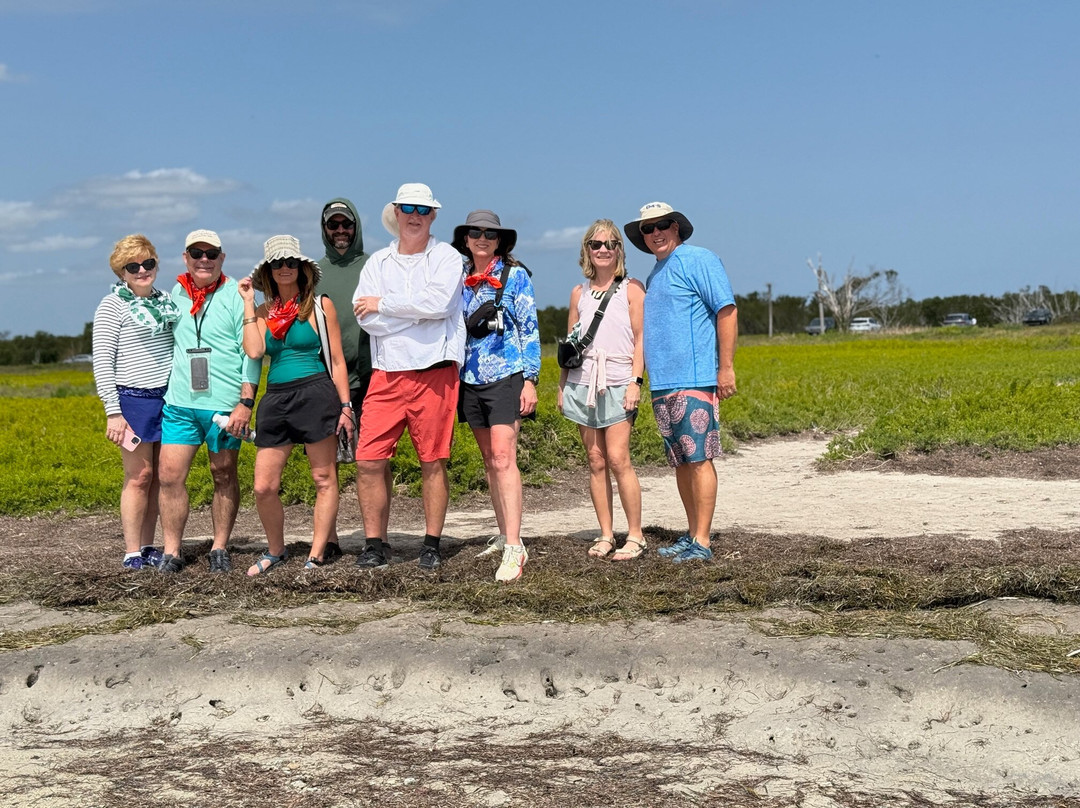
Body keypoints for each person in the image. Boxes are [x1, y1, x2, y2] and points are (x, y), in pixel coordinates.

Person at [351, 183, 465, 571]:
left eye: (423, 209)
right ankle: (373, 543)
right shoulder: (377, 263)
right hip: (387, 373)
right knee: (367, 459)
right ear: (395, 213)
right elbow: (367, 322)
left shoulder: (448, 257)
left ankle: (431, 543)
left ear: (433, 215)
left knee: (432, 460)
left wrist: (386, 304)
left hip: (435, 370)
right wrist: (417, 315)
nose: (415, 215)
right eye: (407, 208)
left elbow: (441, 304)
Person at [623, 202, 737, 562]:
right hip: (663, 384)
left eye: (663, 225)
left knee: (700, 457)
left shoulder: (699, 259)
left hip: (695, 378)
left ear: (677, 228)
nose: (656, 232)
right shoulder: (656, 274)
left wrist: (726, 367)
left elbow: (727, 309)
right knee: (682, 460)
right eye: (648, 228)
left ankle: (702, 540)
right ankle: (692, 534)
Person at [237, 235, 355, 574]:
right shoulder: (261, 311)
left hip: (316, 392)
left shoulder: (320, 306)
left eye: (291, 262)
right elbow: (256, 352)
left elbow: (337, 360)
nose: (284, 268)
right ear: (269, 272)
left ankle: (316, 553)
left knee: (323, 477)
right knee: (263, 486)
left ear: (302, 268)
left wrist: (346, 406)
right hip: (275, 398)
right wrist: (248, 303)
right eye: (277, 264)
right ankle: (276, 549)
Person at [156, 230, 261, 574]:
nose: (204, 260)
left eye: (211, 254)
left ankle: (219, 546)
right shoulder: (175, 293)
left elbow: (251, 353)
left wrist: (246, 402)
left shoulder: (236, 294)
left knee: (223, 473)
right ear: (185, 258)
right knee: (170, 476)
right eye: (196, 253)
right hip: (180, 404)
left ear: (222, 258)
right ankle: (172, 552)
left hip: (225, 405)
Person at [452, 210, 540, 582]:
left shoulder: (515, 276)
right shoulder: (458, 278)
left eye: (490, 233)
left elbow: (530, 327)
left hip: (507, 375)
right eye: (476, 232)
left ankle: (515, 547)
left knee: (505, 457)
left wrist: (531, 379)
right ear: (467, 239)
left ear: (500, 240)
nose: (483, 238)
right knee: (490, 460)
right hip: (469, 379)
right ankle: (504, 533)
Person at [558, 220, 646, 561]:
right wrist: (563, 387)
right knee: (595, 461)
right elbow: (570, 344)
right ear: (587, 250)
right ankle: (607, 533)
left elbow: (641, 341)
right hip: (583, 382)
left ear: (619, 250)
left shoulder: (632, 289)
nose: (603, 249)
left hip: (619, 380)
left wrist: (635, 383)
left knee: (618, 458)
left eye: (610, 243)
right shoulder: (578, 294)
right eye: (596, 244)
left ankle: (635, 535)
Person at [92, 235, 180, 570]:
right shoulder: (112, 306)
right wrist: (113, 412)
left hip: (166, 399)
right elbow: (102, 361)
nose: (142, 270)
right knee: (138, 476)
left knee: (159, 477)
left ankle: (147, 545)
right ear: (121, 273)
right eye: (133, 266)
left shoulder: (168, 302)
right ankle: (131, 552)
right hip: (131, 400)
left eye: (148, 263)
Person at [317, 199, 390, 558]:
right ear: (325, 229)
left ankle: (377, 539)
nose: (341, 231)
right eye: (334, 225)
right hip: (324, 380)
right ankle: (328, 540)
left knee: (372, 461)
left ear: (356, 227)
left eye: (347, 225)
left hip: (369, 376)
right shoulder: (312, 272)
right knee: (324, 464)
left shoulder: (374, 265)